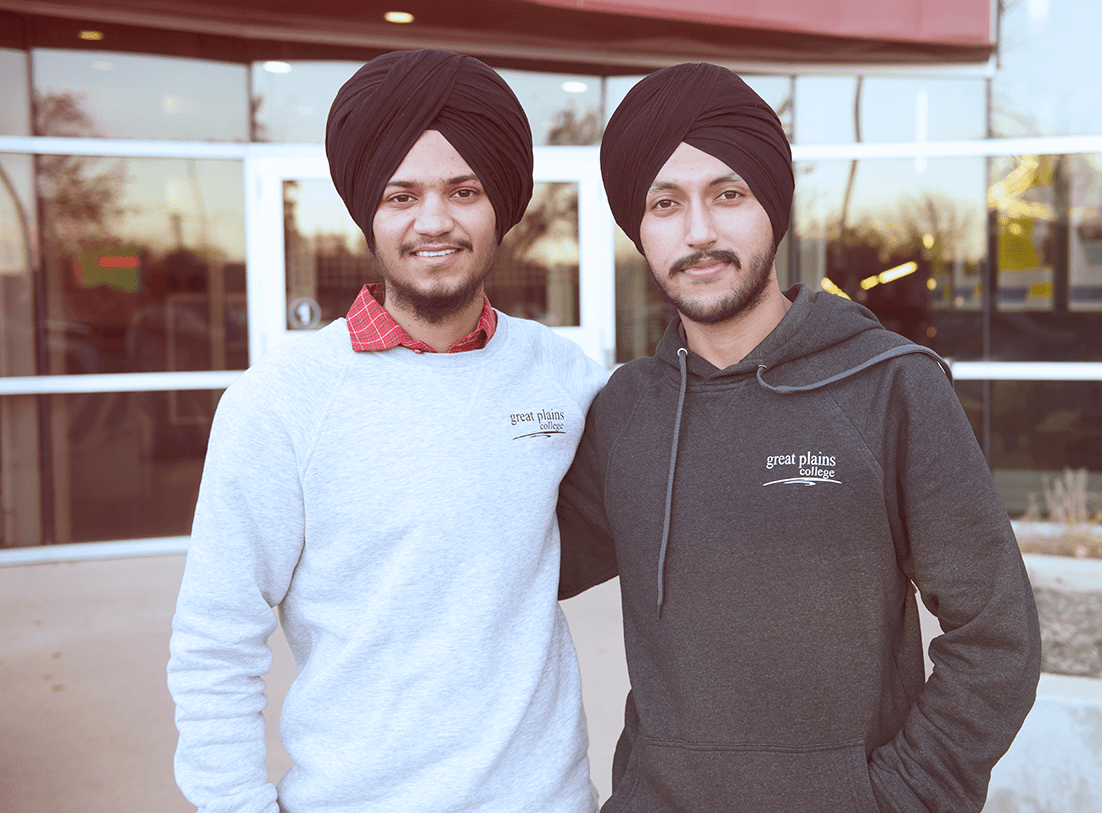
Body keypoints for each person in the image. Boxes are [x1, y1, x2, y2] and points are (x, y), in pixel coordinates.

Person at [557, 62, 1041, 813]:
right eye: (665, 203)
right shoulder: (626, 413)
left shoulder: (891, 385)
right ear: (638, 227)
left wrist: (900, 797)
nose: (700, 231)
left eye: (728, 194)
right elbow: (507, 564)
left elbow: (997, 634)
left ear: (772, 208)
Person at [168, 50, 607, 813]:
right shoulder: (280, 402)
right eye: (402, 195)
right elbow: (215, 640)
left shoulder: (563, 377)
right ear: (368, 211)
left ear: (500, 203)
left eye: (463, 191)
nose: (432, 220)